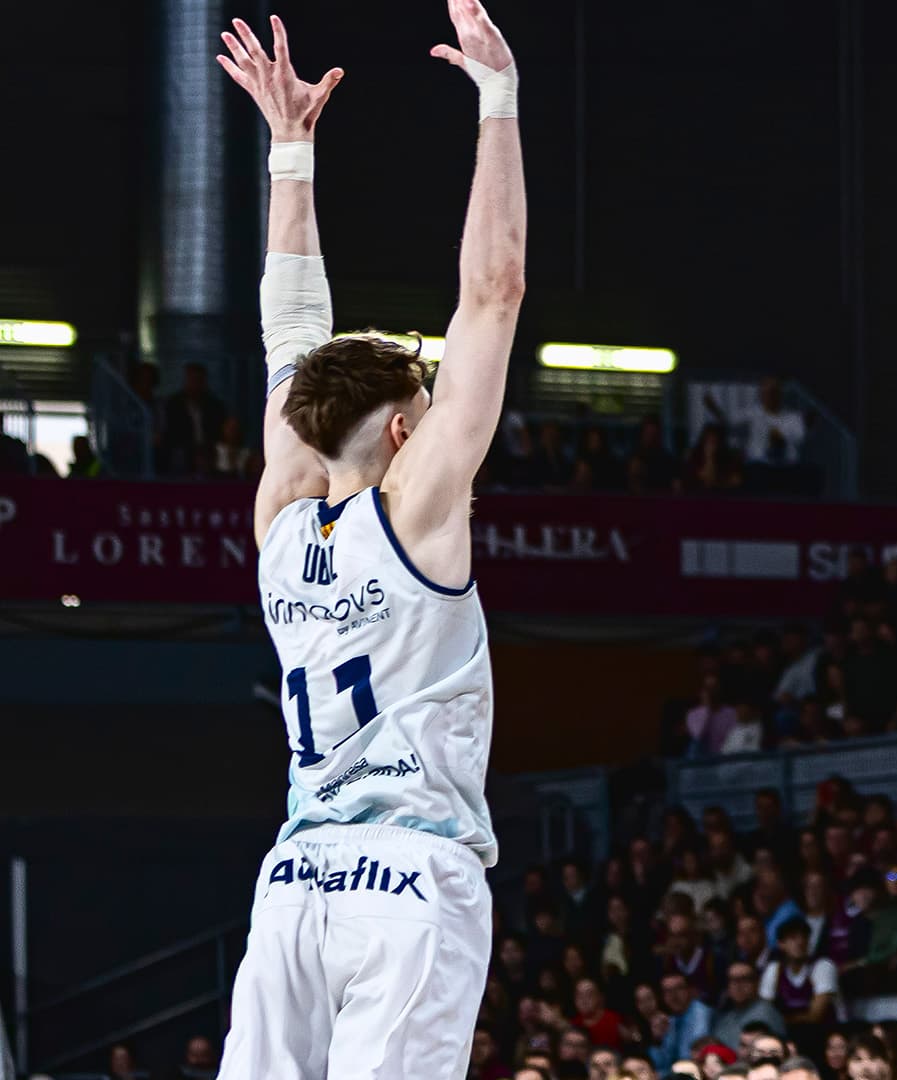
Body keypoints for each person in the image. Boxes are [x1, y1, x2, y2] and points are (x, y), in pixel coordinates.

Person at [215, 6, 523, 1079]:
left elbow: (288, 337)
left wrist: (289, 153)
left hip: (295, 881)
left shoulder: (281, 516)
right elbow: (492, 294)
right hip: (410, 876)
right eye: (429, 403)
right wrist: (499, 98)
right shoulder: (420, 512)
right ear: (404, 429)